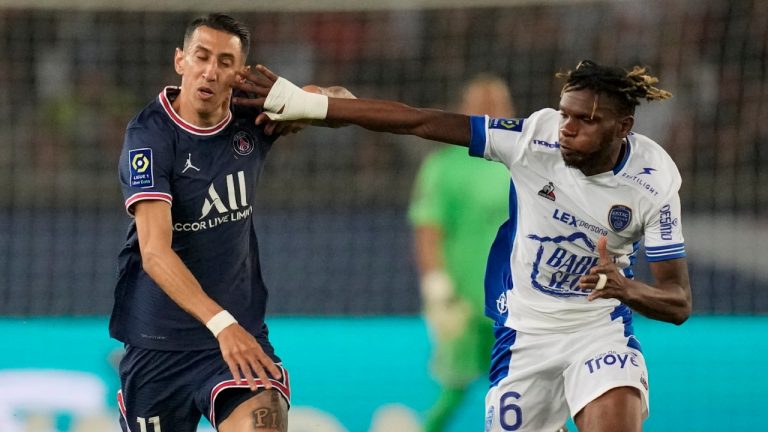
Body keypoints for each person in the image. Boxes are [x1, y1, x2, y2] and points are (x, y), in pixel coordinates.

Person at [233, 60, 692, 431]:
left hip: (597, 329)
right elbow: (419, 120)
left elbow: (678, 302)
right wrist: (308, 106)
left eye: (585, 120)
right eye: (566, 114)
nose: (567, 128)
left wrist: (627, 289)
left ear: (623, 126)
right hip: (524, 333)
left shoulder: (653, 182)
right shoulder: (535, 140)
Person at [110, 13, 352, 432]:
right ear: (180, 61)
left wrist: (301, 102)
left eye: (225, 62)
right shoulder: (149, 137)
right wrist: (222, 325)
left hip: (239, 336)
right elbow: (153, 252)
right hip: (159, 343)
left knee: (266, 422)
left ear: (238, 73)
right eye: (201, 57)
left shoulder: (252, 114)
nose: (210, 71)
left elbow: (343, 101)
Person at [408, 74, 515, 432]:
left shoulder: (524, 162)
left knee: (530, 388)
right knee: (453, 389)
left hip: (519, 302)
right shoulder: (444, 166)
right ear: (464, 110)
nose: (488, 111)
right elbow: (428, 230)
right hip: (465, 302)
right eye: (480, 104)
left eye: (495, 104)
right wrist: (437, 289)